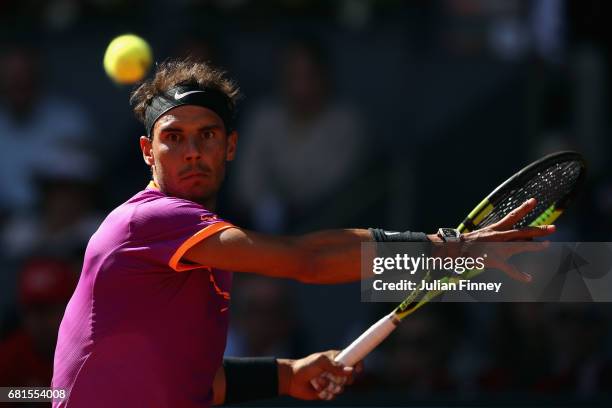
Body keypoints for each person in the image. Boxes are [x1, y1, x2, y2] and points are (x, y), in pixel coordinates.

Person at [52, 60, 555, 407]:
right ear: (146, 151)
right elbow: (306, 261)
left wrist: (286, 376)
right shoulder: (149, 220)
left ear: (230, 146)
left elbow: (195, 383)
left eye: (207, 135)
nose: (191, 151)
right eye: (173, 138)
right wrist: (446, 250)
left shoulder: (198, 249)